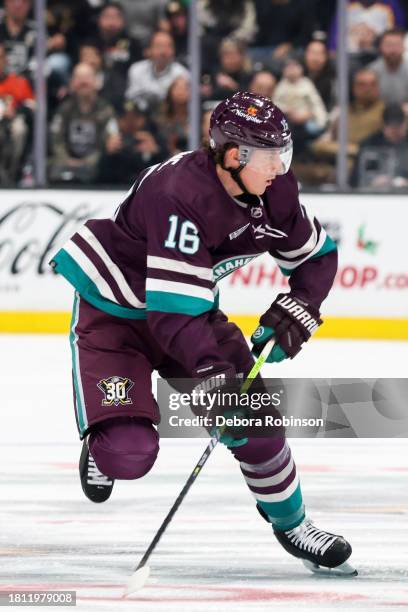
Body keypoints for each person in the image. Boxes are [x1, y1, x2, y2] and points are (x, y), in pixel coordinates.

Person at [50, 91, 356, 576]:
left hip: (187, 312)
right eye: (271, 155)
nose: (281, 167)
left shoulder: (274, 189)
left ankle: (293, 524)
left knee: (254, 421)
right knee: (130, 454)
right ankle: (103, 447)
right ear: (234, 156)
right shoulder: (180, 195)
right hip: (115, 316)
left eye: (284, 152)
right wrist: (214, 374)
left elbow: (315, 257)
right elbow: (173, 315)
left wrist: (301, 305)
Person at [49, 62, 119, 184]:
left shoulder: (106, 110)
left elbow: (110, 140)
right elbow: (56, 140)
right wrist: (67, 160)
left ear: (96, 82)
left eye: (87, 78)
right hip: (65, 162)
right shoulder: (64, 109)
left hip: (95, 165)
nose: (83, 83)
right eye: (79, 78)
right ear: (72, 83)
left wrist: (87, 162)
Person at [126, 30, 189, 113]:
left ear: (173, 51)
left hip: (169, 117)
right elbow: (131, 97)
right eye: (158, 46)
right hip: (141, 116)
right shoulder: (136, 69)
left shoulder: (182, 74)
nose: (163, 52)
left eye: (168, 46)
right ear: (149, 50)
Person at [0, 41, 34, 183]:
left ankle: (13, 175)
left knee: (20, 129)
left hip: (13, 122)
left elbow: (32, 106)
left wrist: (16, 110)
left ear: (5, 60)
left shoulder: (18, 82)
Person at [351, 102, 408, 187]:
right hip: (374, 196)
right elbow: (355, 180)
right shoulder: (369, 145)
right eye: (392, 127)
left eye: (399, 127)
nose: (395, 131)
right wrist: (372, 182)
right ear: (384, 126)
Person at [369, 28, 408, 104]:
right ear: (380, 47)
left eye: (397, 45)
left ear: (404, 47)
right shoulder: (371, 71)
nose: (393, 50)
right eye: (388, 45)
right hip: (377, 113)